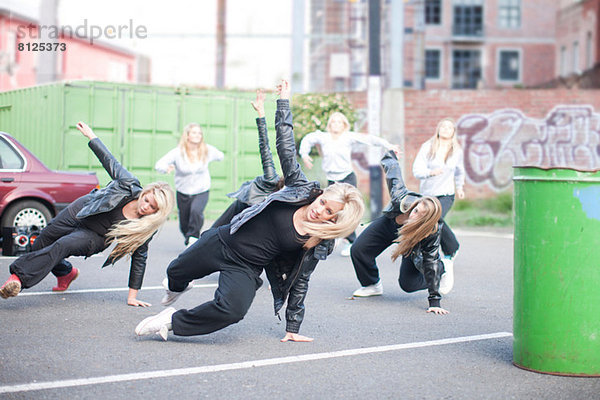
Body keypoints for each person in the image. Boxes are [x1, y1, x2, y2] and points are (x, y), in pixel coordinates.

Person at [134, 79, 365, 342]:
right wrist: (282, 103)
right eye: (322, 202)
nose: (319, 210)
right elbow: (285, 147)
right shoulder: (300, 188)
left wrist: (293, 327)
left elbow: (301, 282)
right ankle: (177, 287)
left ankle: (171, 320)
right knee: (175, 272)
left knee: (233, 311)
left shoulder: (319, 240)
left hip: (246, 267)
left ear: (334, 220)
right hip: (223, 240)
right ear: (321, 194)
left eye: (328, 213)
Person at [0, 122, 175, 306]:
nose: (146, 206)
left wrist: (132, 297)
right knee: (42, 242)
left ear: (157, 212)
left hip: (95, 236)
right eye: (147, 199)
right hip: (81, 211)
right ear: (145, 192)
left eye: (152, 207)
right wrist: (91, 136)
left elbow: (140, 258)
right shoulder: (128, 183)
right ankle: (66, 273)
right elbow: (110, 161)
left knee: (63, 244)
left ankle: (16, 279)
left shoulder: (146, 226)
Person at [350, 150, 452, 315]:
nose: (414, 215)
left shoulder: (430, 231)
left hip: (411, 239)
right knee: (359, 249)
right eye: (416, 210)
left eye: (420, 216)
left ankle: (443, 270)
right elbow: (393, 174)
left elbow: (430, 260)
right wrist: (389, 154)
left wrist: (434, 300)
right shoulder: (402, 198)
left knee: (408, 285)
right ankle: (371, 284)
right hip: (389, 224)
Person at [298, 111, 399, 256]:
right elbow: (308, 139)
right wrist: (304, 154)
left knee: (348, 210)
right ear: (329, 125)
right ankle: (330, 239)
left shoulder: (348, 137)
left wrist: (387, 145)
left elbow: (369, 139)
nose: (336, 124)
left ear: (344, 125)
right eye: (334, 122)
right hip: (332, 180)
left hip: (347, 177)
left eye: (340, 122)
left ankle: (351, 241)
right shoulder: (323, 137)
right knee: (330, 209)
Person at [211, 89, 283, 228]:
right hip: (244, 204)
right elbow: (265, 148)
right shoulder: (271, 179)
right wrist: (261, 114)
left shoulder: (286, 201)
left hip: (254, 217)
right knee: (214, 232)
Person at [412, 118, 465, 292]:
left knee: (437, 218)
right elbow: (416, 170)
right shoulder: (428, 147)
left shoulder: (456, 150)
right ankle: (448, 249)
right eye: (443, 126)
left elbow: (459, 171)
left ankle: (451, 249)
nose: (446, 129)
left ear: (453, 132)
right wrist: (430, 172)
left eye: (449, 127)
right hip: (428, 196)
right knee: (431, 222)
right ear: (438, 129)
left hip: (446, 194)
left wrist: (460, 187)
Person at [155, 122, 224, 246]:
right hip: (183, 191)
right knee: (184, 221)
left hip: (201, 189)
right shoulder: (178, 152)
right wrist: (166, 168)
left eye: (199, 133)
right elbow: (159, 165)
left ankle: (193, 238)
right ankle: (189, 237)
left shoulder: (206, 150)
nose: (197, 135)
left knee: (196, 212)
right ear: (187, 135)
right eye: (194, 132)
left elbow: (220, 155)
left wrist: (219, 157)